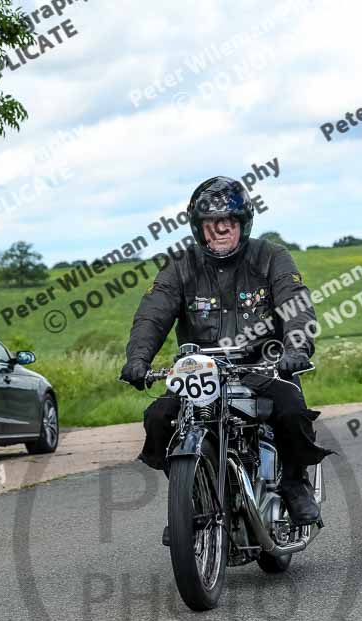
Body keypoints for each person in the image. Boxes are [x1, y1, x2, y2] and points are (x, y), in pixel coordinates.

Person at [120, 176, 332, 527]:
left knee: (292, 410)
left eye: (228, 223)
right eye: (210, 224)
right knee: (158, 418)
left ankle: (295, 483)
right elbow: (152, 313)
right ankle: (192, 495)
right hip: (202, 369)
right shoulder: (180, 265)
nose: (220, 230)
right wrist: (138, 360)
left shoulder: (271, 257)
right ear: (198, 228)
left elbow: (296, 305)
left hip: (264, 366)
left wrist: (295, 347)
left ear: (242, 224)